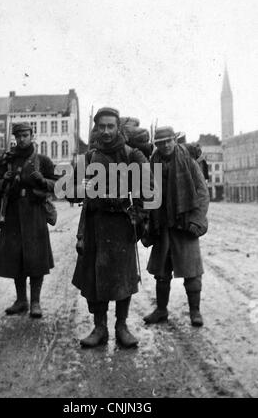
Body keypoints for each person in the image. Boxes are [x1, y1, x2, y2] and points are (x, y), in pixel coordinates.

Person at [72, 107, 151, 348]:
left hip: (121, 225)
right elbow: (70, 192)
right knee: (94, 279)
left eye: (111, 126)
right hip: (94, 223)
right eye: (102, 127)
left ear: (118, 128)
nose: (106, 131)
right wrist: (80, 187)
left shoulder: (132, 155)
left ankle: (121, 326)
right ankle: (99, 328)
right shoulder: (88, 157)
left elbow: (148, 190)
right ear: (96, 128)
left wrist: (137, 218)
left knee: (123, 279)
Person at [0, 122, 56, 318]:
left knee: (36, 258)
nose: (22, 139)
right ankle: (21, 300)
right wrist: (5, 182)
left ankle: (35, 302)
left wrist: (43, 181)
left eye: (25, 135)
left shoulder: (42, 160)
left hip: (35, 212)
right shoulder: (8, 159)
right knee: (15, 257)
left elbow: (58, 184)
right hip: (13, 213)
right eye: (18, 136)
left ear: (32, 135)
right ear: (14, 138)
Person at [143, 126, 209, 327]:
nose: (165, 146)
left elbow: (202, 192)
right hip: (163, 226)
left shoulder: (187, 161)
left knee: (192, 272)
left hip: (185, 225)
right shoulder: (152, 163)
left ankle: (195, 312)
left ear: (174, 140)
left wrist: (196, 220)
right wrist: (147, 221)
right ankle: (161, 310)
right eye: (160, 143)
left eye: (168, 141)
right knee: (161, 273)